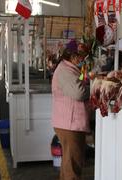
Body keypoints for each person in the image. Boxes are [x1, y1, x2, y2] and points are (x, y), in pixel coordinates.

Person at [51, 45, 90, 180]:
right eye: (80, 57)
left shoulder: (69, 69)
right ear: (73, 57)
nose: (82, 59)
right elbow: (79, 93)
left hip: (69, 123)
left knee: (68, 163)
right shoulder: (65, 71)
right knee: (73, 165)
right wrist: (94, 87)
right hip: (70, 124)